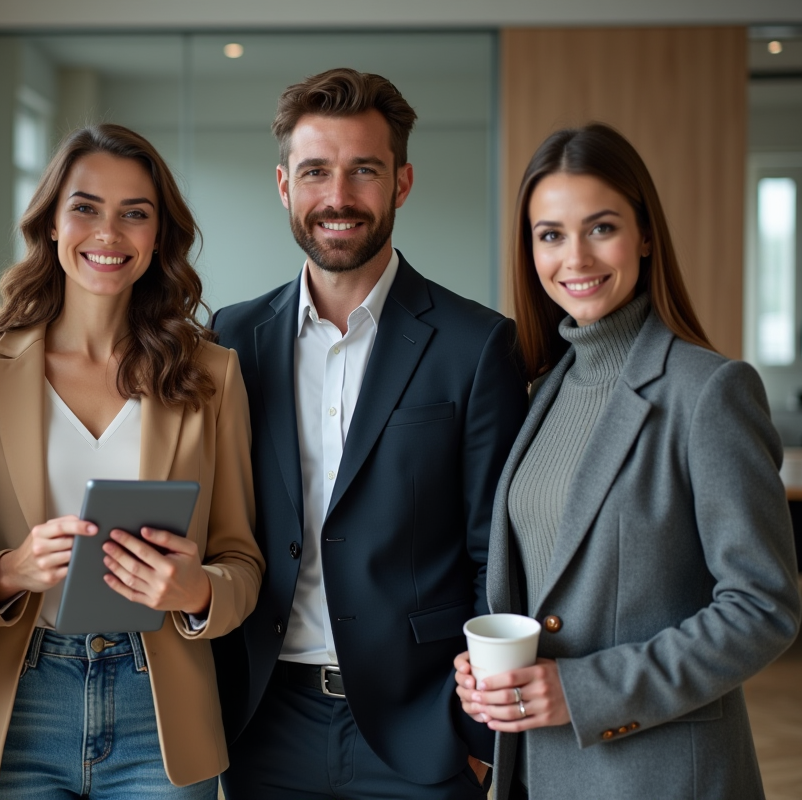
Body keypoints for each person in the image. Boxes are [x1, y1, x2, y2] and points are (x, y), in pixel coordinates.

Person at [453, 122, 802, 800]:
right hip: (537, 773)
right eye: (550, 234)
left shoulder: (709, 392)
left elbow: (763, 607)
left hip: (660, 775)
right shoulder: (538, 392)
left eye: (601, 227)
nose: (574, 257)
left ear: (644, 235)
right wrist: (488, 670)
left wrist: (583, 691)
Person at [210, 68, 526, 799]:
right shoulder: (229, 339)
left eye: (364, 171)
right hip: (265, 721)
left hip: (422, 727)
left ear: (402, 183)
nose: (339, 198)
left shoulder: (476, 345)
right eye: (316, 171)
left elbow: (496, 555)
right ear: (285, 185)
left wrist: (476, 738)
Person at [0, 123, 264, 800]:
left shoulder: (212, 374)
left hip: (162, 713)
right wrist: (8, 570)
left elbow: (243, 559)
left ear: (158, 237)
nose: (109, 234)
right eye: (86, 207)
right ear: (52, 223)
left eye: (135, 214)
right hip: (14, 707)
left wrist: (197, 592)